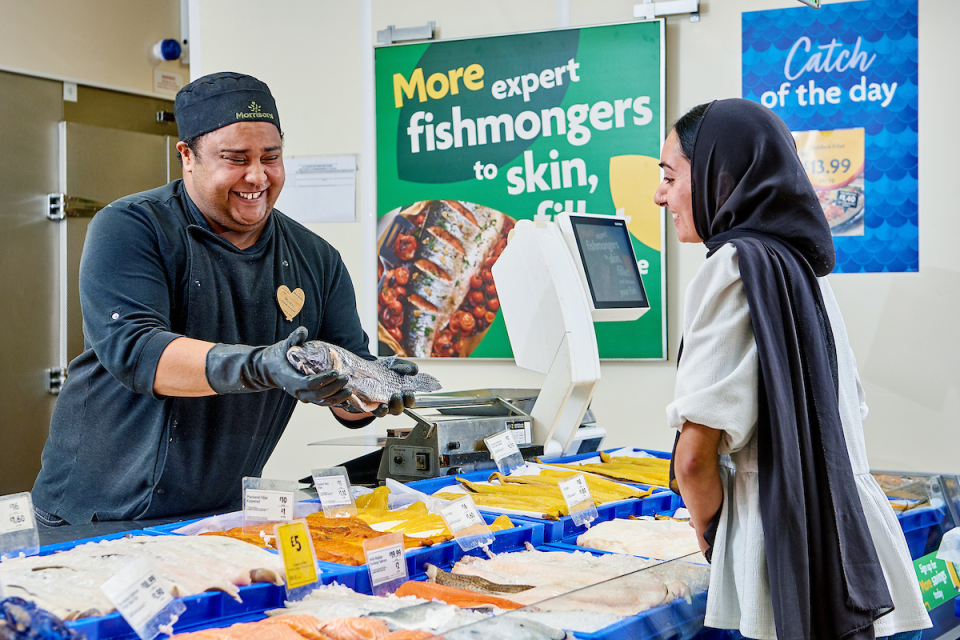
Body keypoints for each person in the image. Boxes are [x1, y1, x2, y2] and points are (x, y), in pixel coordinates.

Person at [32, 72, 418, 526]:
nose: (257, 176)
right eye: (235, 159)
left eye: (271, 158)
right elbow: (136, 352)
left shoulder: (316, 258)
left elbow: (344, 396)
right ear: (187, 157)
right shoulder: (132, 227)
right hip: (95, 511)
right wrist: (262, 365)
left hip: (222, 513)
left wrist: (370, 389)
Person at [656, 99, 930, 640]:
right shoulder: (804, 269)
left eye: (670, 175)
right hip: (855, 540)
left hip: (785, 545)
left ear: (719, 173)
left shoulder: (732, 265)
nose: (661, 194)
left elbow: (693, 457)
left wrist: (711, 534)